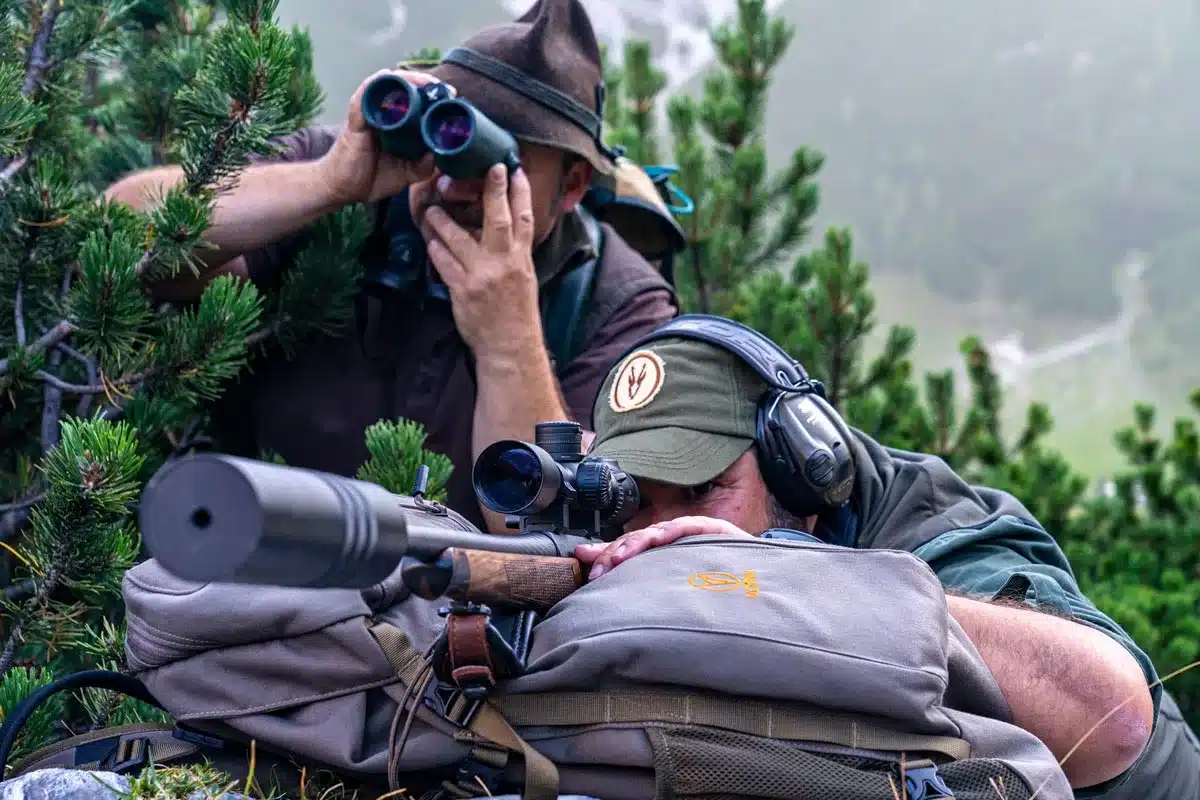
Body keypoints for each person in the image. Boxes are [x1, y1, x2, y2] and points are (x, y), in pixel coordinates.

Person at [102, 0, 679, 532]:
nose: (454, 183)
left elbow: (538, 530)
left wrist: (509, 338)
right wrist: (326, 184)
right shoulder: (354, 175)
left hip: (458, 601)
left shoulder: (617, 302)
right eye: (448, 137)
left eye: (498, 160)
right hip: (248, 559)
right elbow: (116, 238)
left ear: (573, 184)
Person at [571, 314, 1199, 800]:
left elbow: (1112, 720)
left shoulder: (935, 523)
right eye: (635, 501)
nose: (664, 528)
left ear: (798, 472)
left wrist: (783, 573)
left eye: (703, 489)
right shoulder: (627, 547)